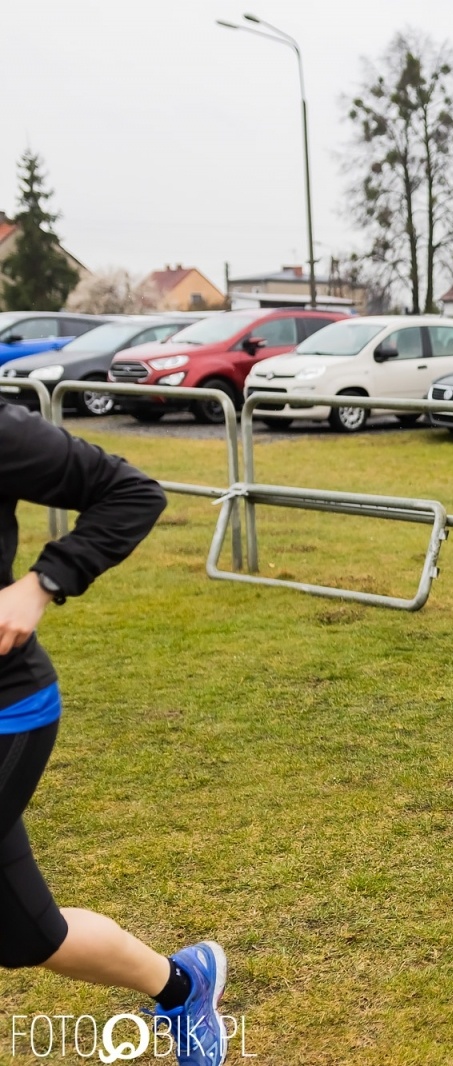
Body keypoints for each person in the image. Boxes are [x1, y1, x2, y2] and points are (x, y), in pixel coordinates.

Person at [0, 403, 230, 1065]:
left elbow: (131, 492)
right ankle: (182, 985)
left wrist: (42, 583)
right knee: (26, 935)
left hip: (6, 710)